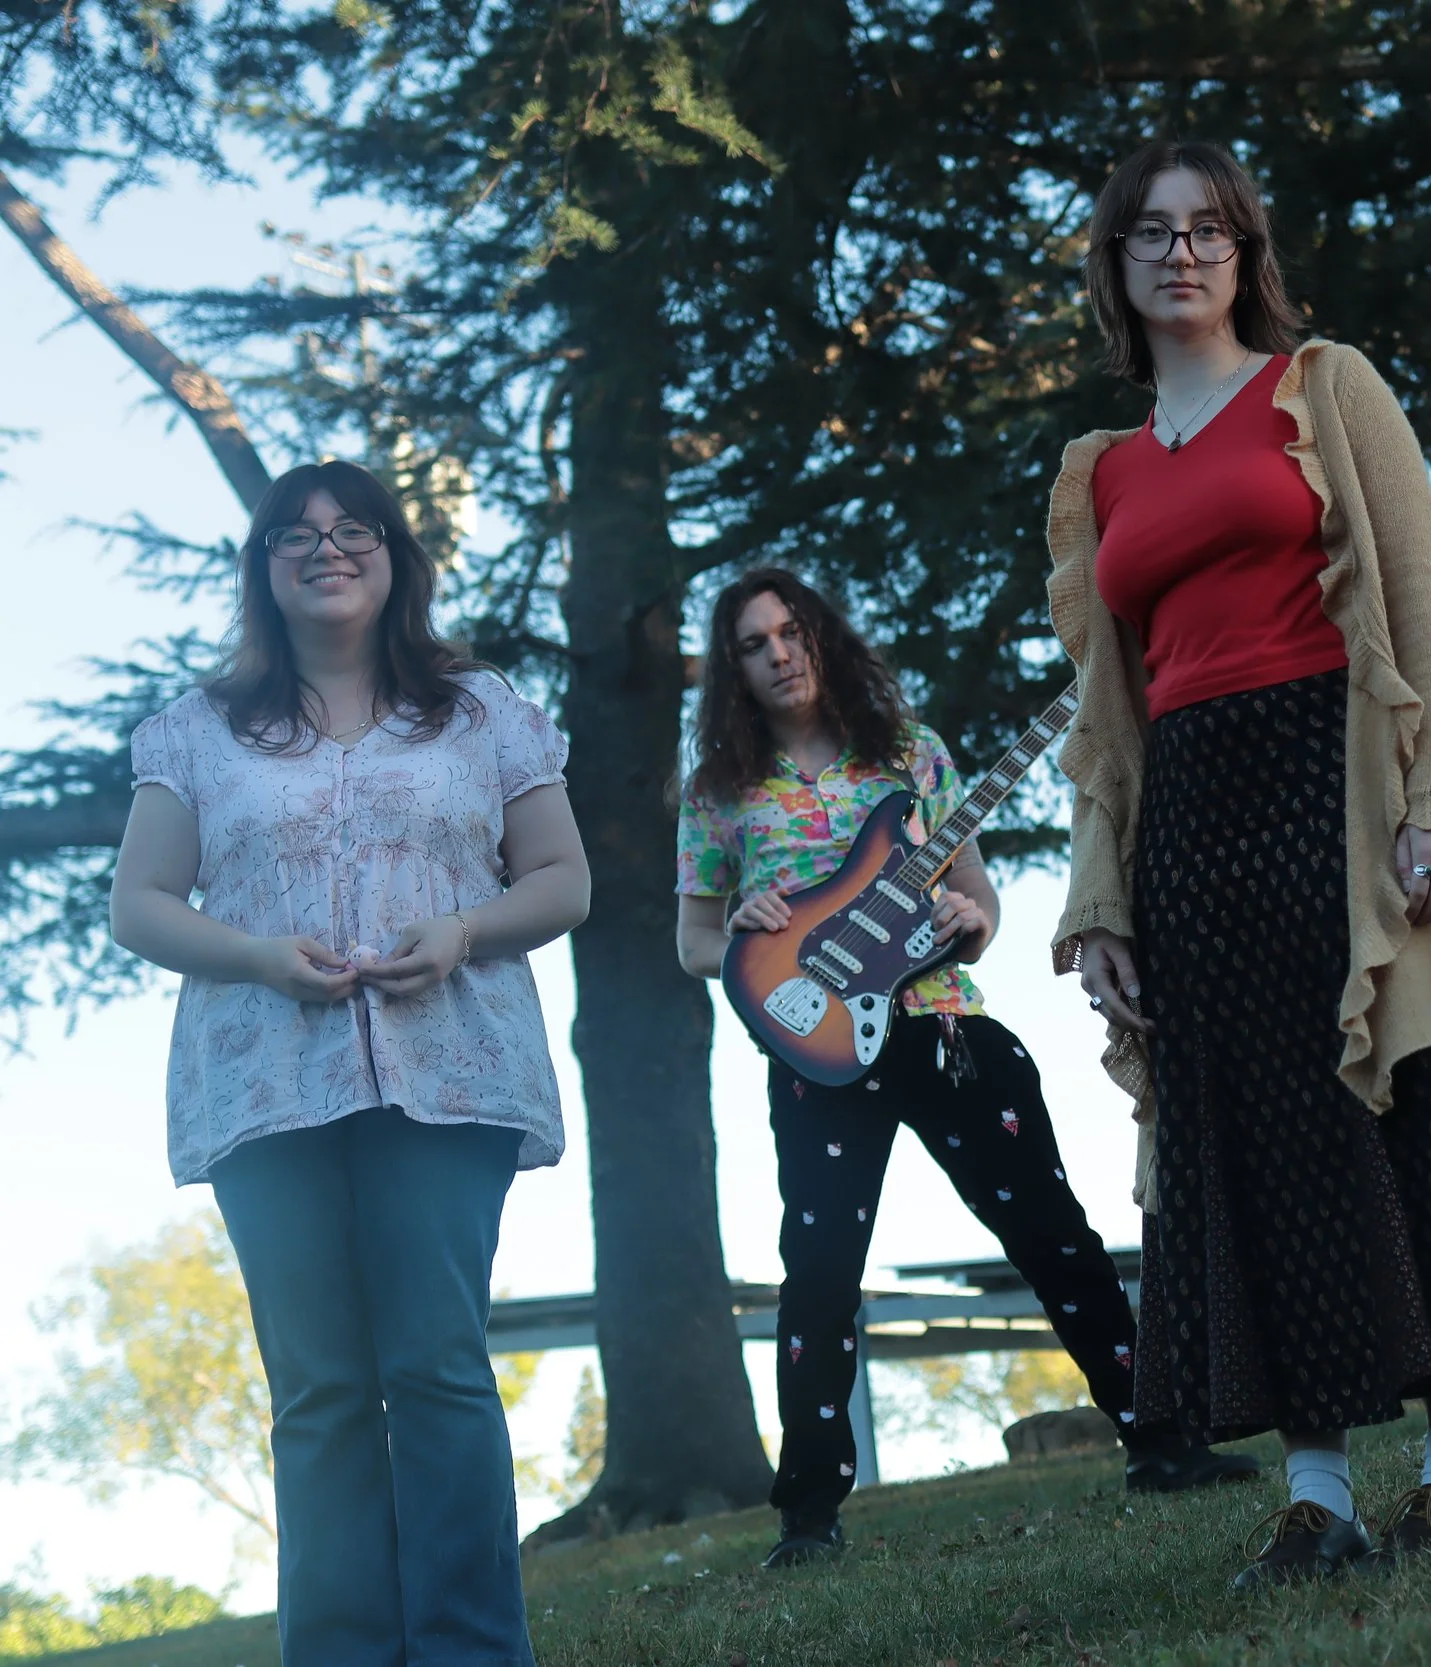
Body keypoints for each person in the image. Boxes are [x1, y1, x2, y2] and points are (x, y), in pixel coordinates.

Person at [1047, 138, 1431, 1591]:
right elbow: (1104, 715)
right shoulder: (1099, 473)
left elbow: (1422, 593)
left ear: (1246, 252)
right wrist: (1101, 899)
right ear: (1115, 263)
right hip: (1193, 822)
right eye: (1152, 232)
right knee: (1264, 1143)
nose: (1182, 252)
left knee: (1420, 1100)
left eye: (1209, 229)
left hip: (1346, 780)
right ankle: (1316, 1497)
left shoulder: (1325, 385)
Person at [674, 568, 1255, 1571]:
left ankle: (1161, 1440)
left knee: (1052, 1232)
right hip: (817, 1051)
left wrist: (967, 917)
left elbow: (978, 901)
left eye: (792, 631)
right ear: (733, 669)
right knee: (819, 1273)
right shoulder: (721, 792)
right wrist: (737, 926)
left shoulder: (912, 754)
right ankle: (808, 1515)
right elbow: (692, 939)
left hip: (940, 1023)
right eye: (753, 643)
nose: (779, 653)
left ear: (822, 636)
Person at [111, 459, 590, 1666]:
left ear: (394, 555)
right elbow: (140, 902)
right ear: (263, 567)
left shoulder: (482, 711)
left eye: (353, 528)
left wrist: (464, 929)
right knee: (319, 1387)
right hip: (264, 1084)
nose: (326, 548)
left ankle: (472, 1651)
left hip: (452, 1071)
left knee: (437, 1365)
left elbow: (562, 879)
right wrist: (256, 955)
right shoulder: (197, 730)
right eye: (296, 534)